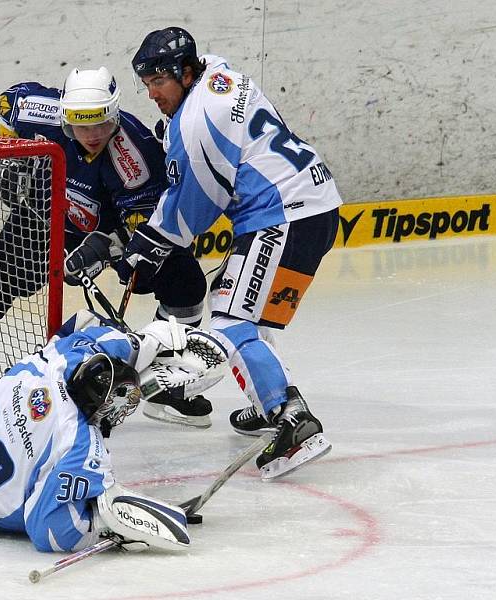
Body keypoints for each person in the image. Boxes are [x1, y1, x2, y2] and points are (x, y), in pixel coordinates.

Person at [0, 66, 212, 427]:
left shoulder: (136, 158)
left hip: (102, 231)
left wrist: (104, 249)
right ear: (65, 116)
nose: (91, 135)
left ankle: (163, 384)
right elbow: (6, 106)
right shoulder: (34, 108)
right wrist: (13, 162)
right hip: (41, 218)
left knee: (185, 281)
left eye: (101, 125)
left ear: (114, 114)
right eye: (80, 126)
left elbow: (146, 226)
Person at [118, 28, 342, 479]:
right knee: (242, 308)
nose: (152, 93)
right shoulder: (222, 75)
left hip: (281, 216)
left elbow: (196, 205)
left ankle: (291, 421)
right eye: (146, 84)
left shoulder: (195, 120)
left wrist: (147, 245)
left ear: (184, 73)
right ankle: (265, 403)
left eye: (159, 81)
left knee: (230, 320)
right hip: (315, 204)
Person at [0, 310, 225, 553]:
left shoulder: (57, 361)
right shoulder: (80, 447)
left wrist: (144, 343)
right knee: (50, 491)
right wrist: (107, 524)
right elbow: (49, 532)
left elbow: (89, 327)